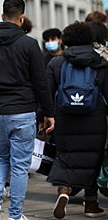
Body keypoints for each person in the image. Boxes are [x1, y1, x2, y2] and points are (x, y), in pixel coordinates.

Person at [0, 0, 55, 220]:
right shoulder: (29, 44)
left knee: (0, 158)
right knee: (19, 166)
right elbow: (40, 83)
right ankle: (16, 215)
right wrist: (48, 113)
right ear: (21, 18)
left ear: (1, 16)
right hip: (22, 112)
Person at [46, 22, 107, 218]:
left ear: (66, 40)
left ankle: (64, 191)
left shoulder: (56, 63)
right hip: (94, 119)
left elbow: (47, 94)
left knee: (65, 156)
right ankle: (90, 204)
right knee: (92, 159)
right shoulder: (101, 62)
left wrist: (45, 117)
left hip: (65, 118)